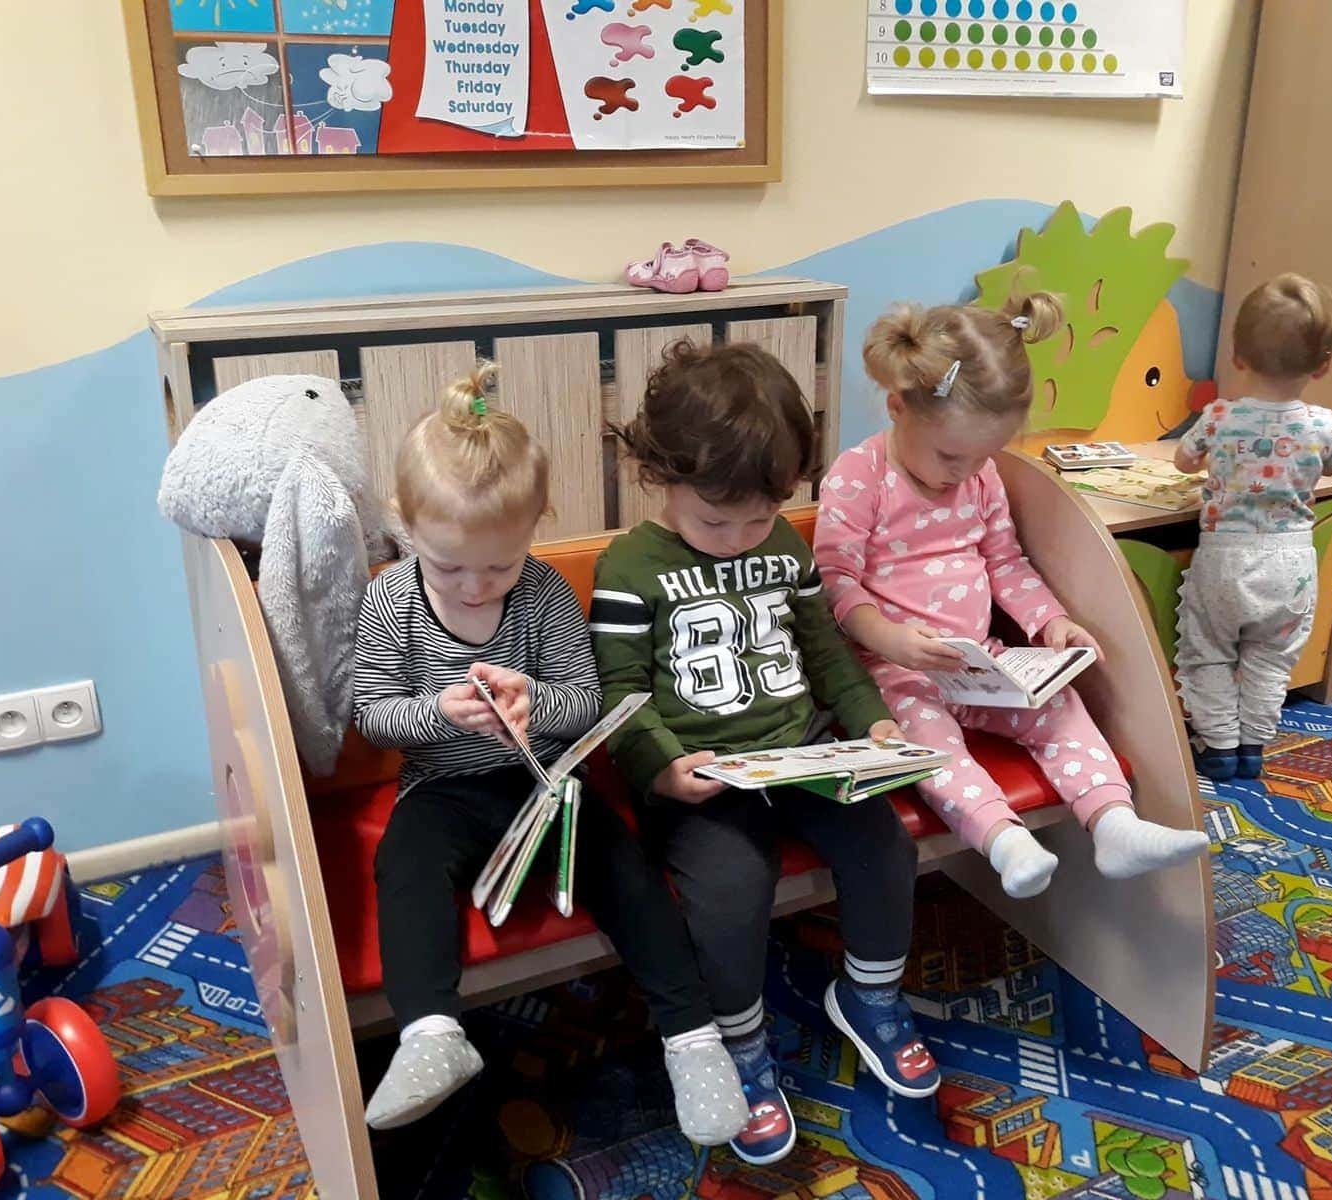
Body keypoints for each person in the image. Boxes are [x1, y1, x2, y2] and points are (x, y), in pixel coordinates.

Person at [352, 364, 747, 1144]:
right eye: (448, 566)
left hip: (546, 784)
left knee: (627, 869)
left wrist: (534, 703)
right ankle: (430, 1033)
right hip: (442, 791)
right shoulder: (390, 599)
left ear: (535, 526)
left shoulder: (541, 594)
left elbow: (585, 702)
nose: (475, 588)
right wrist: (438, 712)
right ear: (405, 527)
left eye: (499, 566)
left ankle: (694, 1038)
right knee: (405, 867)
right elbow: (373, 716)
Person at [591, 341, 939, 1167]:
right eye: (717, 521)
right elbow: (620, 692)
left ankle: (871, 995)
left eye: (759, 517)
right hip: (702, 775)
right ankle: (740, 1046)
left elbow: (826, 655)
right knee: (730, 891)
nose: (740, 538)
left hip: (802, 752)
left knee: (885, 843)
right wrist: (661, 768)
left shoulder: (782, 545)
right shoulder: (631, 566)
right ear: (659, 475)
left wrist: (873, 725)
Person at [814, 296, 1209, 901]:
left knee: (1060, 706)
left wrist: (1050, 621)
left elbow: (1005, 561)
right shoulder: (859, 474)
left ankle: (1114, 823)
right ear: (898, 407)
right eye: (951, 455)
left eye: (983, 455)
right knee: (927, 743)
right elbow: (835, 581)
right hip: (895, 671)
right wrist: (891, 640)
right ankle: (1004, 840)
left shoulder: (980, 476)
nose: (964, 471)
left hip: (982, 660)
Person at [1174, 273, 1332, 780]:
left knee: (1208, 653)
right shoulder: (1323, 423)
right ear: (1324, 365)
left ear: (1237, 357)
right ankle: (1253, 747)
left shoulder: (1220, 416)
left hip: (1226, 559)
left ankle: (1219, 746)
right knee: (1271, 659)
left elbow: (1184, 461)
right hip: (1290, 564)